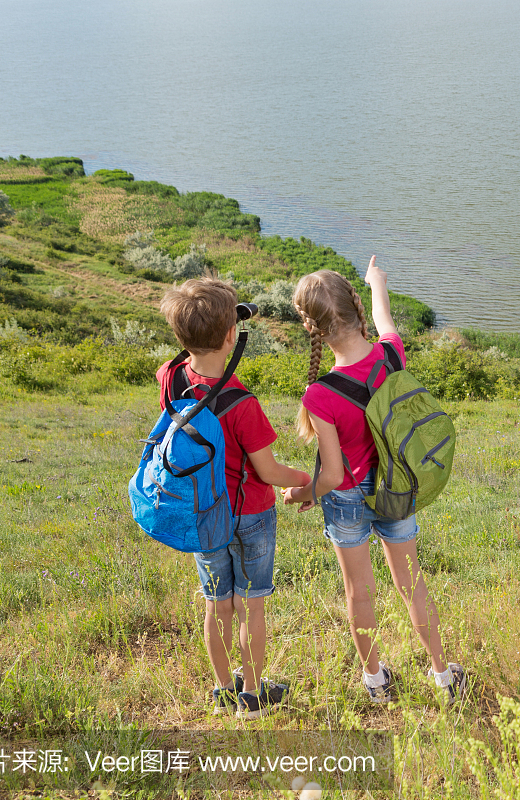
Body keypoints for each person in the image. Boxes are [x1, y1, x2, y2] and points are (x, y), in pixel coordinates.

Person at [282, 257, 466, 705]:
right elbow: (384, 319)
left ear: (314, 329)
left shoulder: (320, 393)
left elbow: (333, 474)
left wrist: (303, 493)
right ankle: (443, 674)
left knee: (358, 593)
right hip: (397, 488)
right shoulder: (390, 354)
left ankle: (376, 681)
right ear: (356, 310)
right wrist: (376, 281)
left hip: (346, 501)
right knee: (412, 584)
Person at [157, 276, 311, 719]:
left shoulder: (170, 377)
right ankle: (253, 695)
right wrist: (303, 479)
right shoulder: (242, 402)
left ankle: (224, 690)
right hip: (250, 516)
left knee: (217, 605)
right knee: (250, 606)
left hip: (203, 512)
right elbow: (268, 471)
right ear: (232, 336)